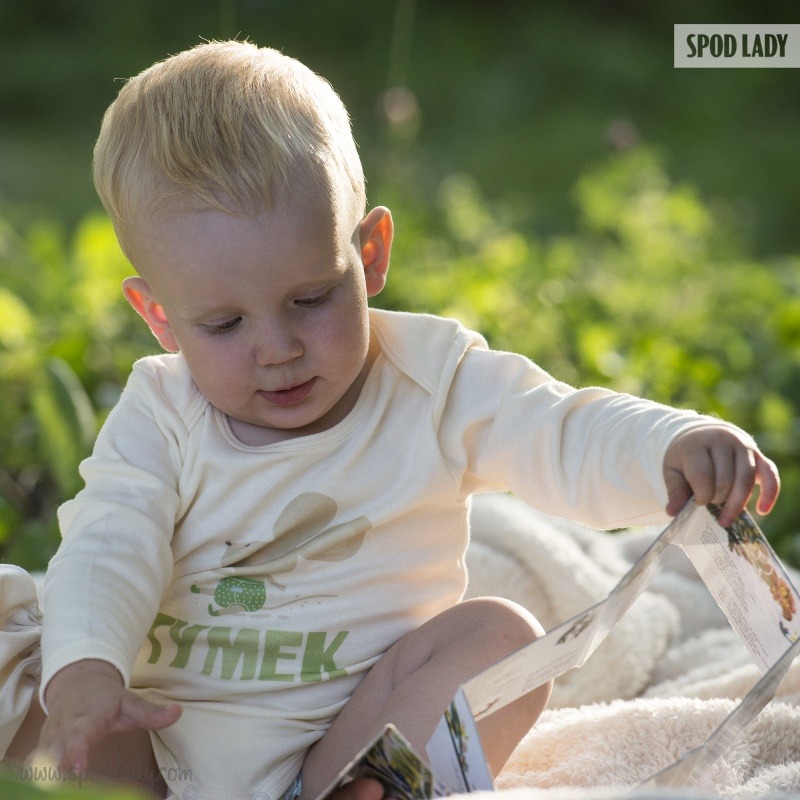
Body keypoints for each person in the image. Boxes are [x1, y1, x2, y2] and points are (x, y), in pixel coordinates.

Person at [0, 40, 780, 800]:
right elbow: (109, 542)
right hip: (155, 738)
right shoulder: (161, 413)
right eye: (224, 325)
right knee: (42, 683)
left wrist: (668, 448)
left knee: (501, 641)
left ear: (369, 253)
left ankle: (371, 792)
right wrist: (87, 675)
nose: (277, 349)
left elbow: (559, 429)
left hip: (341, 740)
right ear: (159, 315)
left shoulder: (435, 381)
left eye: (310, 299)